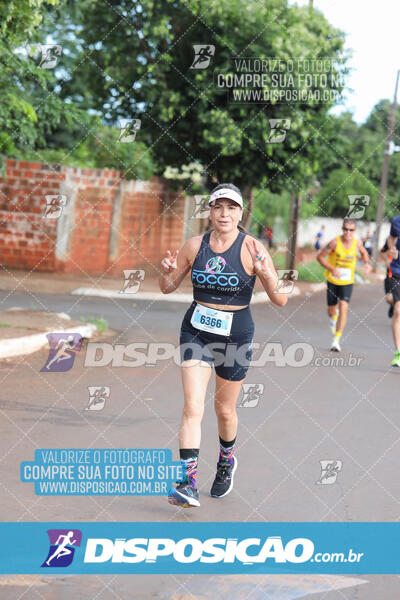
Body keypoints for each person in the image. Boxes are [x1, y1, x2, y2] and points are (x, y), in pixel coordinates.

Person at [159, 183, 287, 508]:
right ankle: (187, 482)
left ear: (240, 213)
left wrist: (263, 272)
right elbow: (167, 287)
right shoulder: (194, 245)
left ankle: (226, 460)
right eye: (219, 207)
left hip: (236, 335)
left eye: (231, 208)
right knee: (192, 407)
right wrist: (165, 273)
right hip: (196, 332)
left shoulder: (253, 247)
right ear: (210, 211)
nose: (224, 214)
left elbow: (281, 298)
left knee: (224, 410)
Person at [317, 218, 371, 352]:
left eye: (351, 230)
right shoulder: (334, 243)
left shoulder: (357, 244)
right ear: (342, 229)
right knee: (331, 310)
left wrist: (366, 264)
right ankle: (333, 318)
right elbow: (320, 257)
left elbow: (364, 254)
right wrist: (332, 269)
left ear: (354, 231)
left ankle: (336, 339)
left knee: (344, 306)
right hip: (333, 281)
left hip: (347, 282)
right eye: (345, 229)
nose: (348, 232)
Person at [387, 215, 400, 367]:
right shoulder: (396, 221)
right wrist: (392, 247)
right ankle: (398, 353)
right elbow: (391, 238)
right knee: (398, 311)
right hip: (397, 270)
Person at [380, 238, 395, 319]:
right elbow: (382, 251)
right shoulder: (390, 240)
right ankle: (393, 305)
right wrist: (386, 259)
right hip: (390, 275)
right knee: (389, 298)